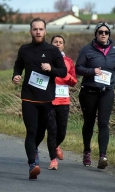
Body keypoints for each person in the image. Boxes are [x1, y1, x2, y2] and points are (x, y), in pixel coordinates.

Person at [12, 17, 67, 179]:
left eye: (40, 29)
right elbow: (18, 65)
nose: (38, 32)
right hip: (29, 98)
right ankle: (32, 164)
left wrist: (51, 69)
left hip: (47, 99)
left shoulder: (53, 51)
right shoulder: (24, 49)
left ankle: (33, 151)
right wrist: (16, 75)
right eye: (35, 29)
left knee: (41, 133)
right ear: (31, 31)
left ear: (45, 31)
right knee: (31, 131)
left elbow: (63, 72)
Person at [75, 21, 115, 169]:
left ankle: (103, 156)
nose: (103, 34)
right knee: (89, 123)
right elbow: (78, 68)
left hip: (106, 92)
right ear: (96, 34)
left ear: (109, 35)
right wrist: (92, 71)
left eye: (106, 32)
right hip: (89, 91)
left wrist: (110, 79)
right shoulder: (87, 50)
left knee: (103, 123)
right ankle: (87, 151)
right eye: (100, 32)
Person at [47, 35, 77, 170]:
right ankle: (53, 160)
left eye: (60, 42)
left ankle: (56, 145)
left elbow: (74, 82)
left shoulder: (68, 61)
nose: (58, 44)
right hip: (49, 101)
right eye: (55, 42)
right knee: (52, 130)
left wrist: (64, 75)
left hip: (64, 100)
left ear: (63, 46)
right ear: (51, 44)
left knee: (62, 132)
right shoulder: (46, 60)